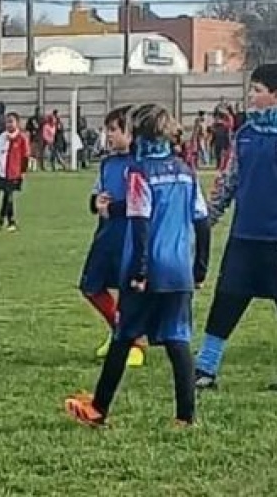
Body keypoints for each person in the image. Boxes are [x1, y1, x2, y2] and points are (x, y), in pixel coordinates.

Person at [64, 104, 210, 428]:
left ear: (140, 136)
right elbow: (202, 222)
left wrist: (139, 271)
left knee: (123, 336)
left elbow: (141, 223)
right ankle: (186, 417)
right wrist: (200, 269)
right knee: (177, 339)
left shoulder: (139, 172)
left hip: (146, 268)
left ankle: (98, 409)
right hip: (179, 270)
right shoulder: (187, 171)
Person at [196, 63, 277, 391]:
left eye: (256, 90)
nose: (250, 96)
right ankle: (205, 368)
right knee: (226, 299)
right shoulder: (245, 136)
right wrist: (203, 221)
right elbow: (228, 182)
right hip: (245, 236)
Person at [78, 106, 145, 367]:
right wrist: (96, 202)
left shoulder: (139, 164)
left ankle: (135, 342)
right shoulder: (108, 163)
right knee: (90, 286)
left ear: (131, 133)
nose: (108, 136)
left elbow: (141, 202)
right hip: (105, 234)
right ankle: (121, 332)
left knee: (129, 289)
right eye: (107, 130)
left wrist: (112, 207)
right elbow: (98, 193)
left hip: (129, 234)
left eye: (114, 130)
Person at [0, 112, 30, 233]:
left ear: (17, 123)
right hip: (2, 171)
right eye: (7, 122)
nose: (9, 124)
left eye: (11, 121)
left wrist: (23, 171)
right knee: (7, 196)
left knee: (8, 196)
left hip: (14, 172)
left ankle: (2, 221)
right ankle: (8, 222)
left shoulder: (21, 138)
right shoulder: (2, 137)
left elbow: (25, 156)